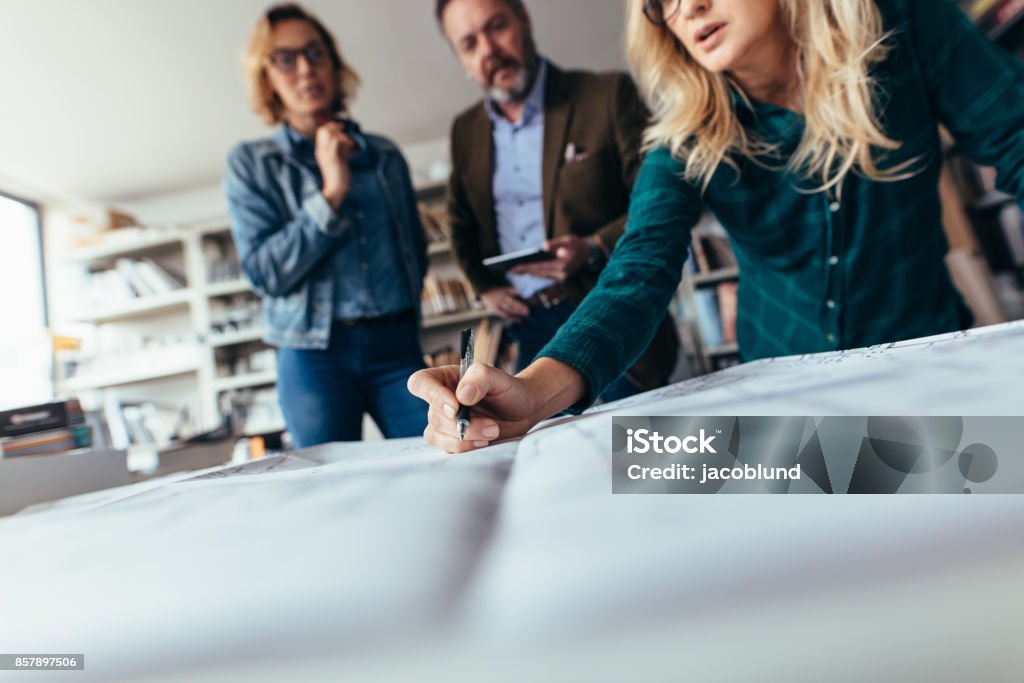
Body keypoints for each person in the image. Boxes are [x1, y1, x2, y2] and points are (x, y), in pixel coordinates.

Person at [410, 0, 1024, 453]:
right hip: (788, 410)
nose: (689, 8)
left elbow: (1016, 140)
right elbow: (639, 269)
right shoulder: (685, 138)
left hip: (930, 369)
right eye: (662, 4)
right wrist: (532, 396)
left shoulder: (904, 25)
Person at [435, 0, 679, 401]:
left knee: (636, 450)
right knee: (546, 457)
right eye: (469, 44)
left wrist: (593, 246)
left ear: (524, 20)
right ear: (461, 59)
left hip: (604, 308)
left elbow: (661, 200)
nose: (488, 50)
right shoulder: (465, 131)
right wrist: (483, 288)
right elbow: (461, 223)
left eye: (496, 26)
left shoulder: (606, 95)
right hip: (528, 325)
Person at [225, 3, 429, 447]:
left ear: (334, 64)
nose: (305, 69)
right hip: (313, 355)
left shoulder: (385, 156)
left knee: (447, 456)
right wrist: (331, 193)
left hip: (397, 346)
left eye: (316, 53)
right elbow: (266, 273)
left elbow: (414, 249)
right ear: (266, 77)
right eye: (285, 58)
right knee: (328, 484)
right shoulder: (252, 165)